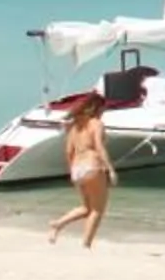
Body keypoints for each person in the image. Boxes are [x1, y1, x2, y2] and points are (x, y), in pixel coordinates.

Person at [44, 93, 116, 248]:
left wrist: (72, 172)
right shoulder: (96, 123)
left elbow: (68, 151)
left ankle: (58, 224)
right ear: (98, 108)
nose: (104, 111)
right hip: (92, 166)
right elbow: (99, 146)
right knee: (97, 210)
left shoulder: (74, 127)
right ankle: (86, 245)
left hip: (77, 169)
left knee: (87, 208)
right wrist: (110, 169)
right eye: (104, 108)